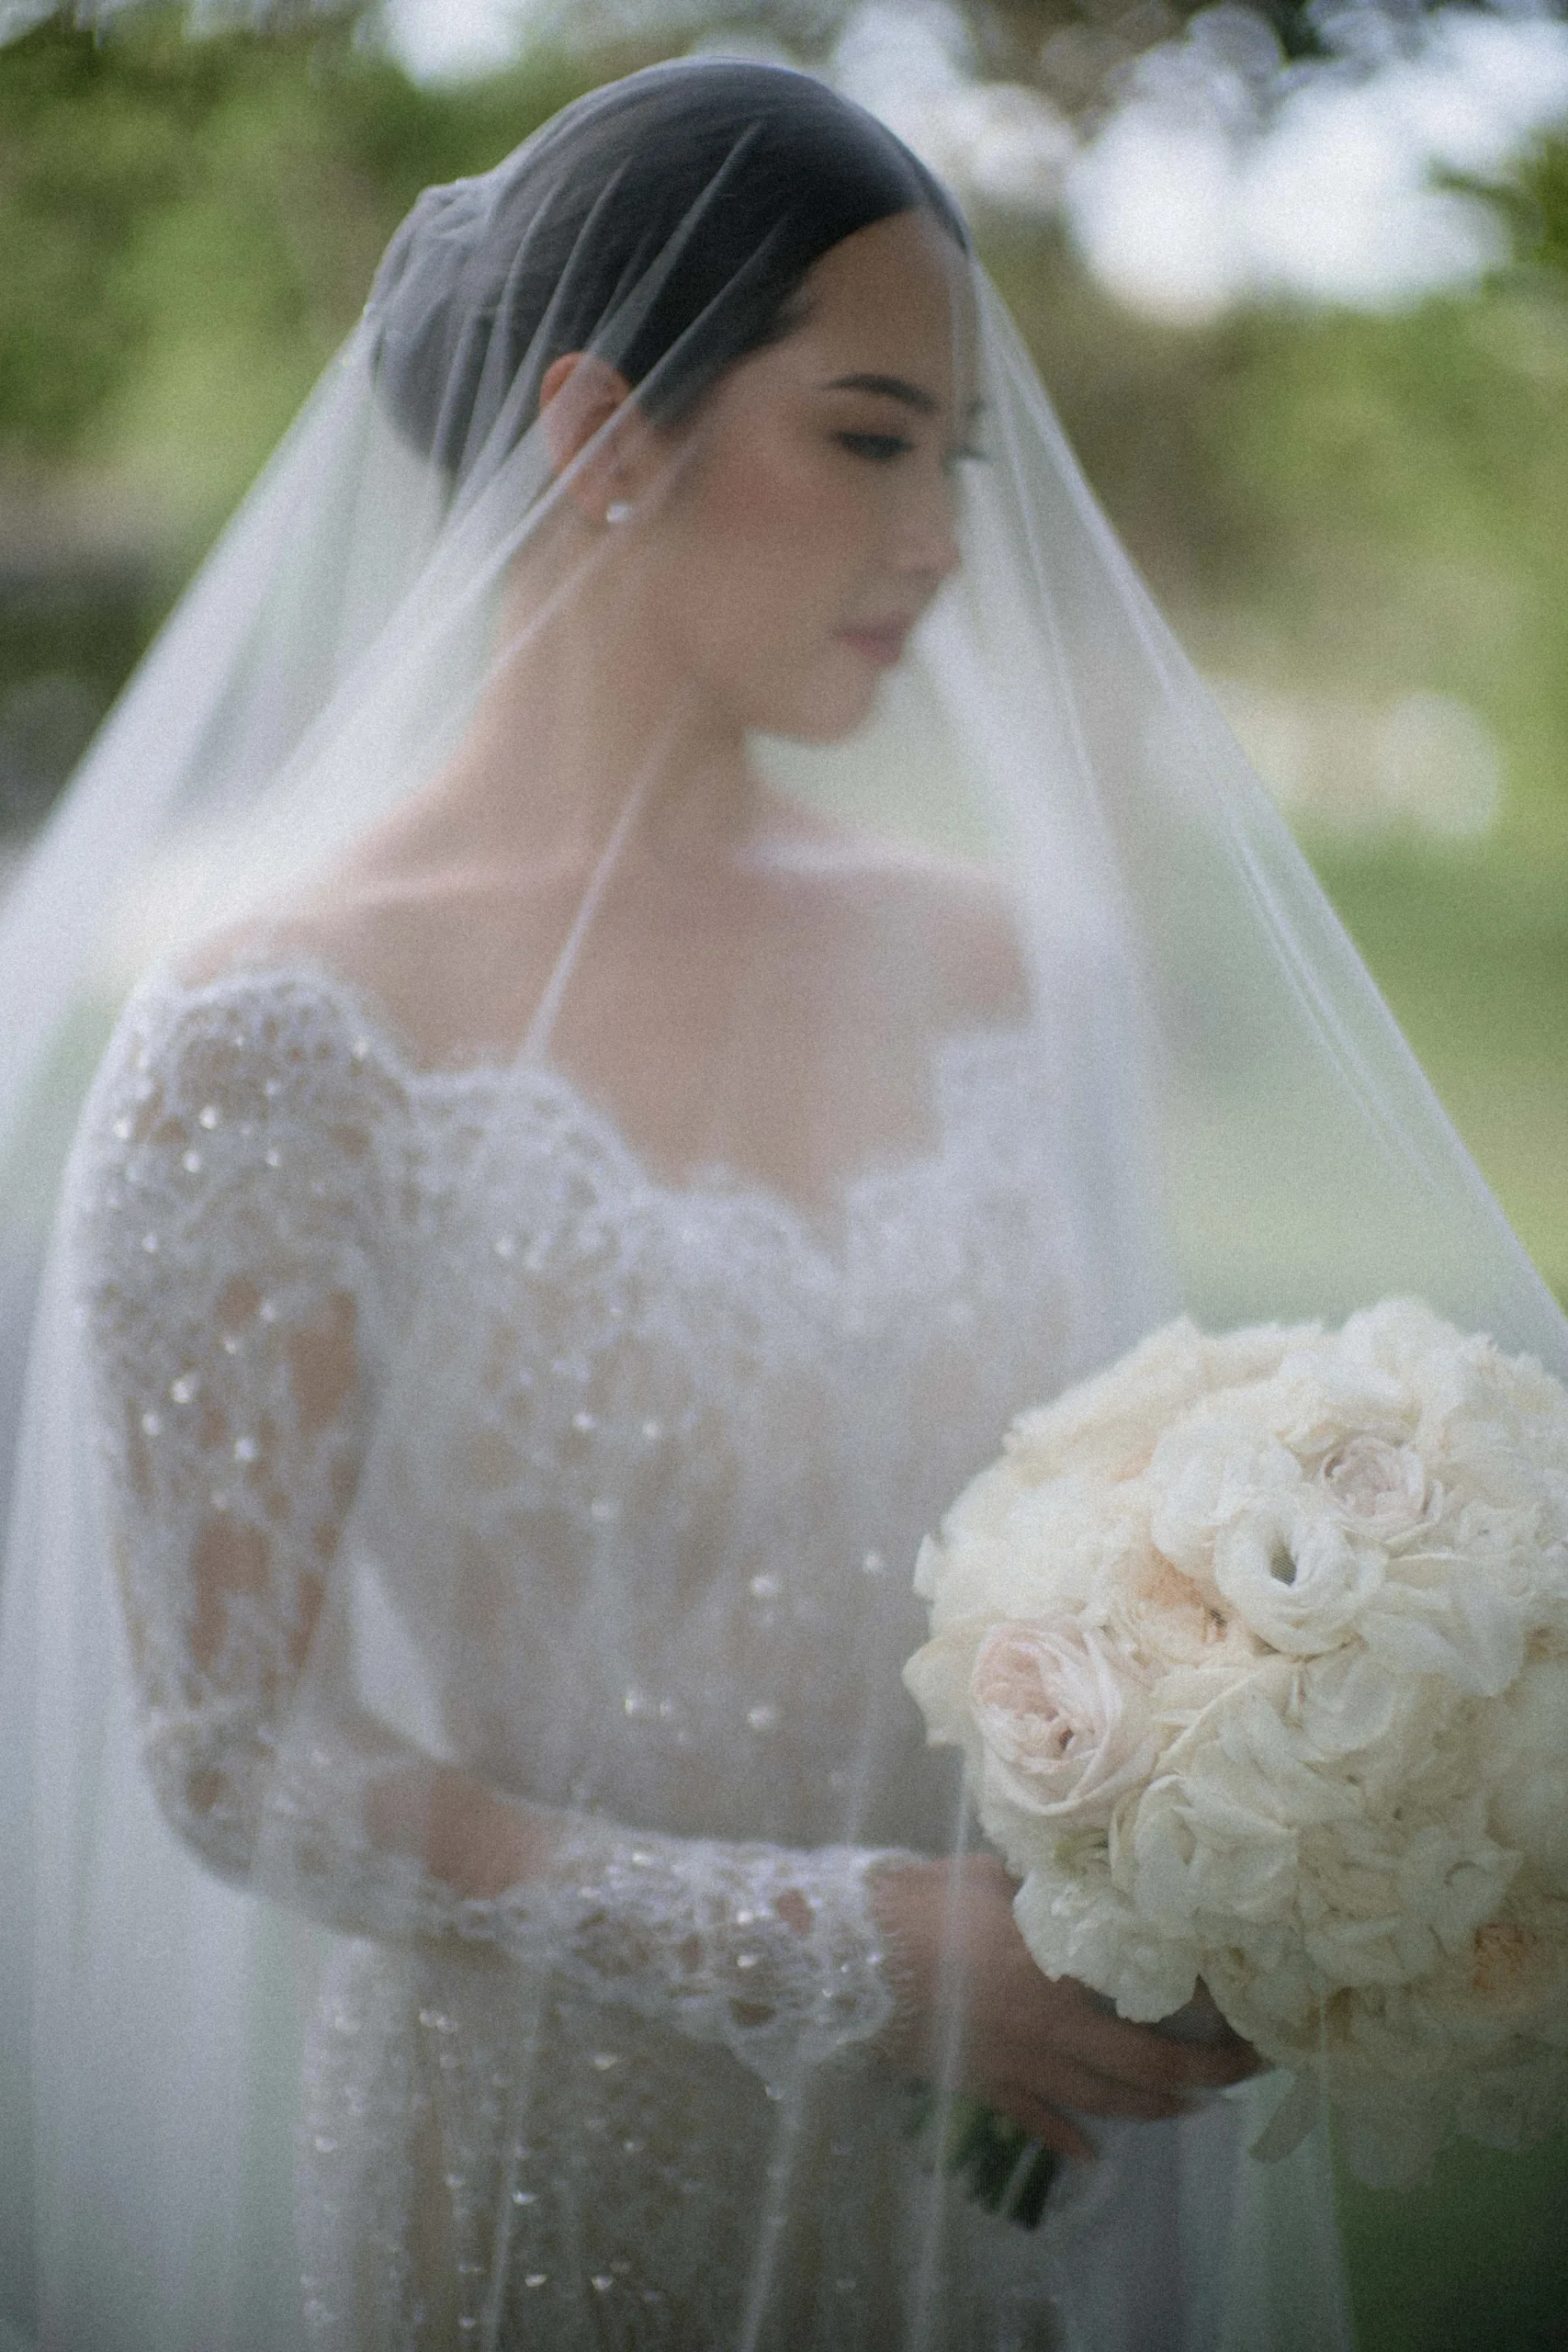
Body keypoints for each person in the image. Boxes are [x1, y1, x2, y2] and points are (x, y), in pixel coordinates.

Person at [3, 54, 1560, 2352]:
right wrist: (846, 1952)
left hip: (1033, 2167)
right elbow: (239, 1756)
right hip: (551, 2161)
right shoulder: (277, 1031)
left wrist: (1256, 1792)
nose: (939, 537)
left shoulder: (993, 967)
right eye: (866, 437)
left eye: (958, 459)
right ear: (598, 430)